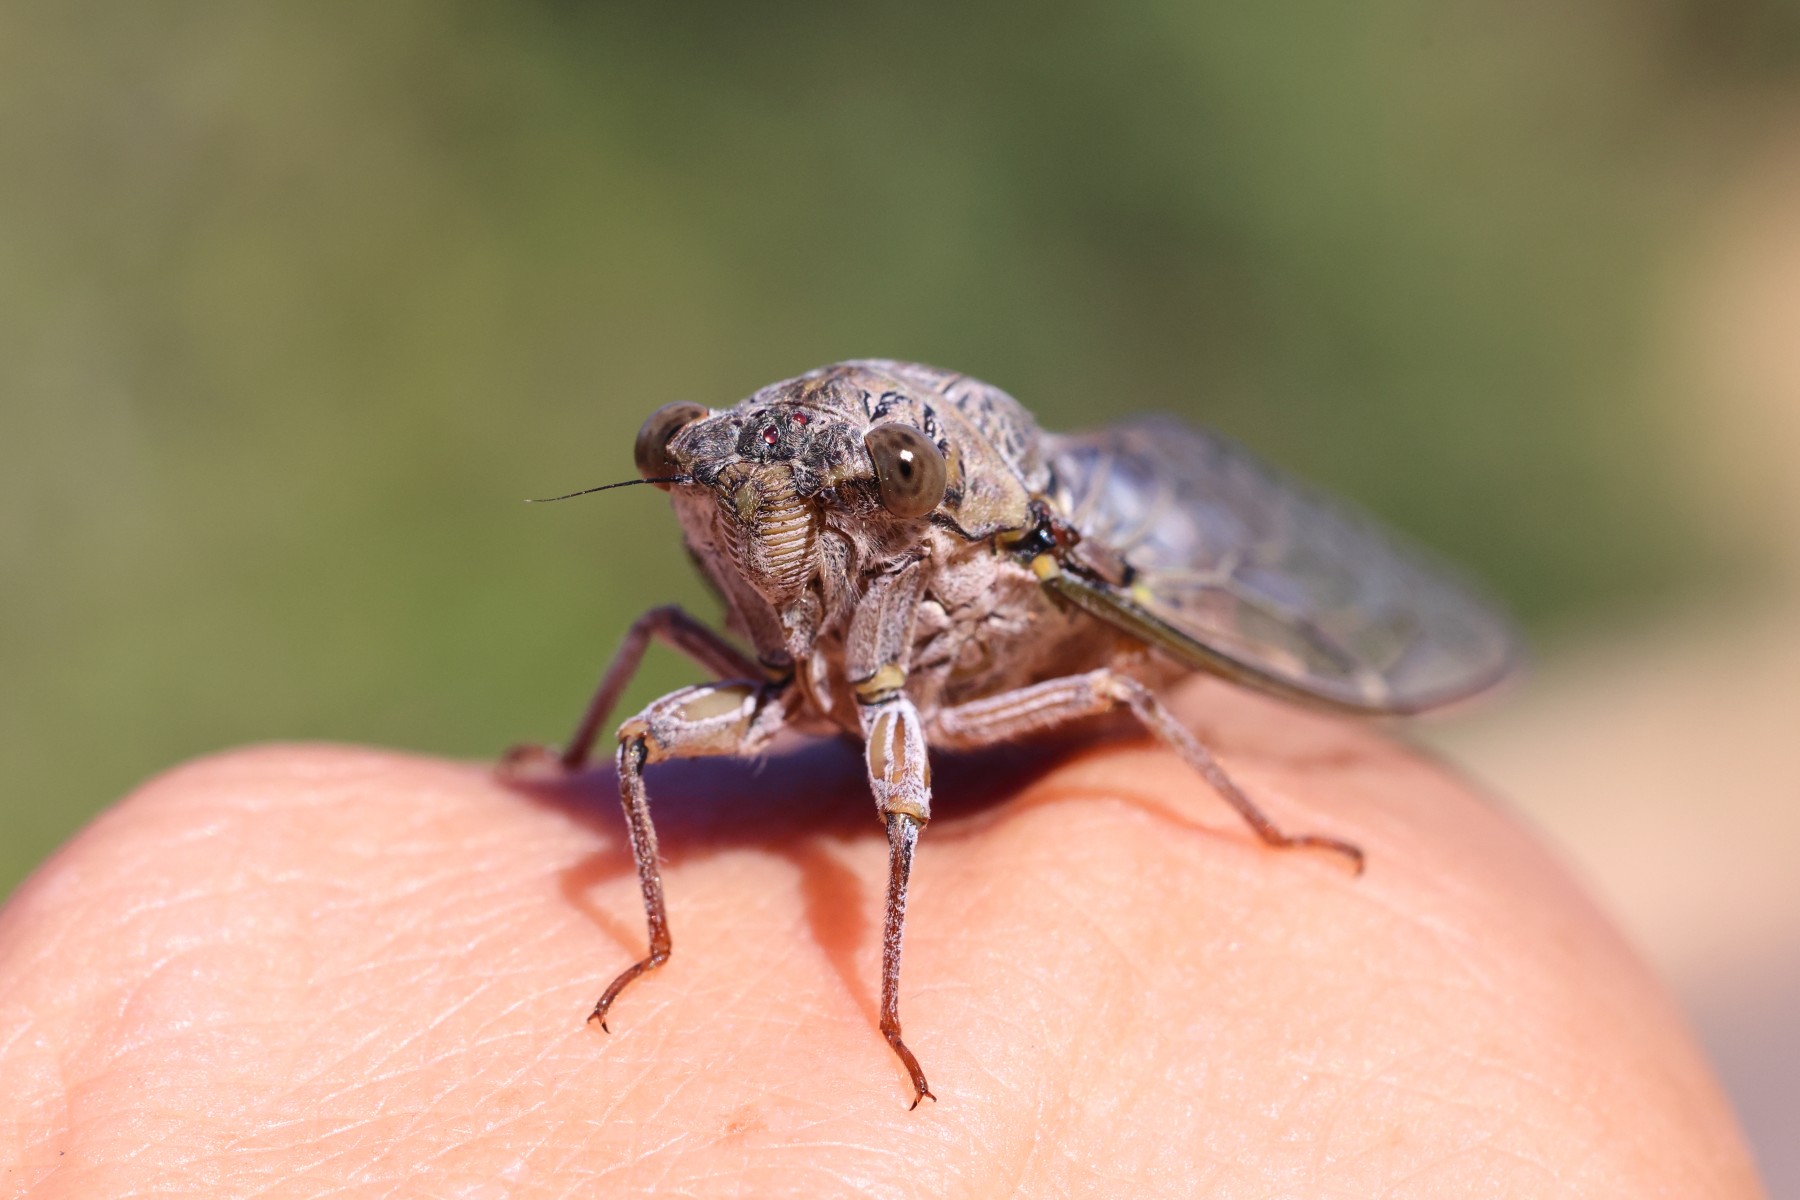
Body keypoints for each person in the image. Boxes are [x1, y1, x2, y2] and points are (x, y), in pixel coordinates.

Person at [0, 681, 1762, 1197]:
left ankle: (923, 979)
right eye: (699, 481)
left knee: (1101, 719)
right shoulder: (750, 590)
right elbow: (670, 662)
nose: (750, 540)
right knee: (637, 726)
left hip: (1022, 629)